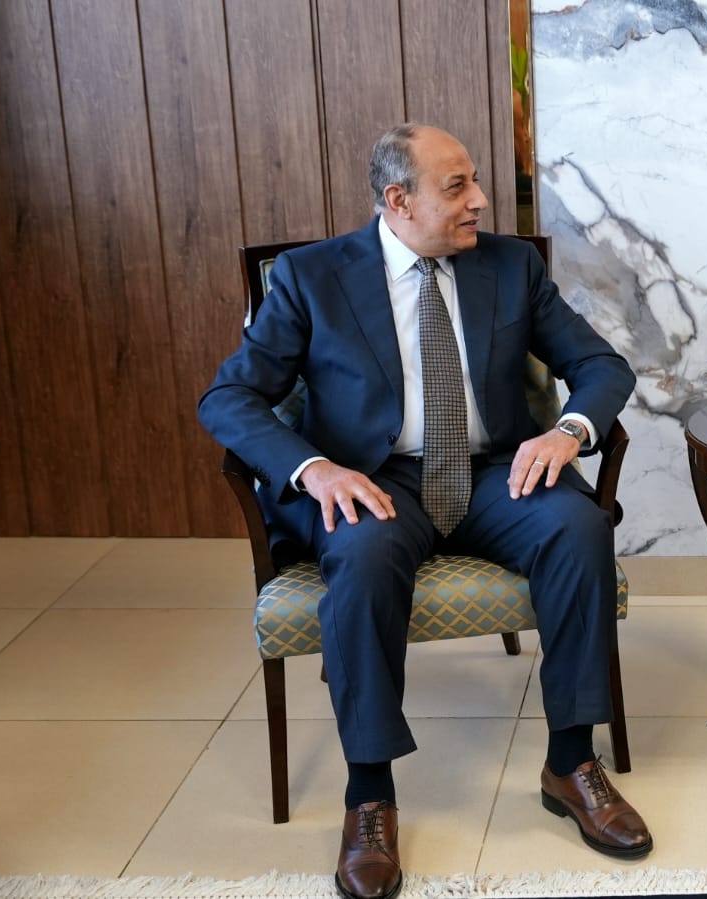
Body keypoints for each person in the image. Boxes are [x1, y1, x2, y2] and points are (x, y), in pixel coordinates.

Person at [200, 123, 649, 899]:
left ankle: (572, 761)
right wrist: (312, 469)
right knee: (363, 554)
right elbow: (229, 397)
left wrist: (569, 430)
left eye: (474, 181)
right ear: (398, 200)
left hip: (494, 471)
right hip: (374, 478)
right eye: (457, 187)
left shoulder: (510, 266)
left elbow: (601, 364)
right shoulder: (312, 276)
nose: (480, 201)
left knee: (578, 526)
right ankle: (369, 796)